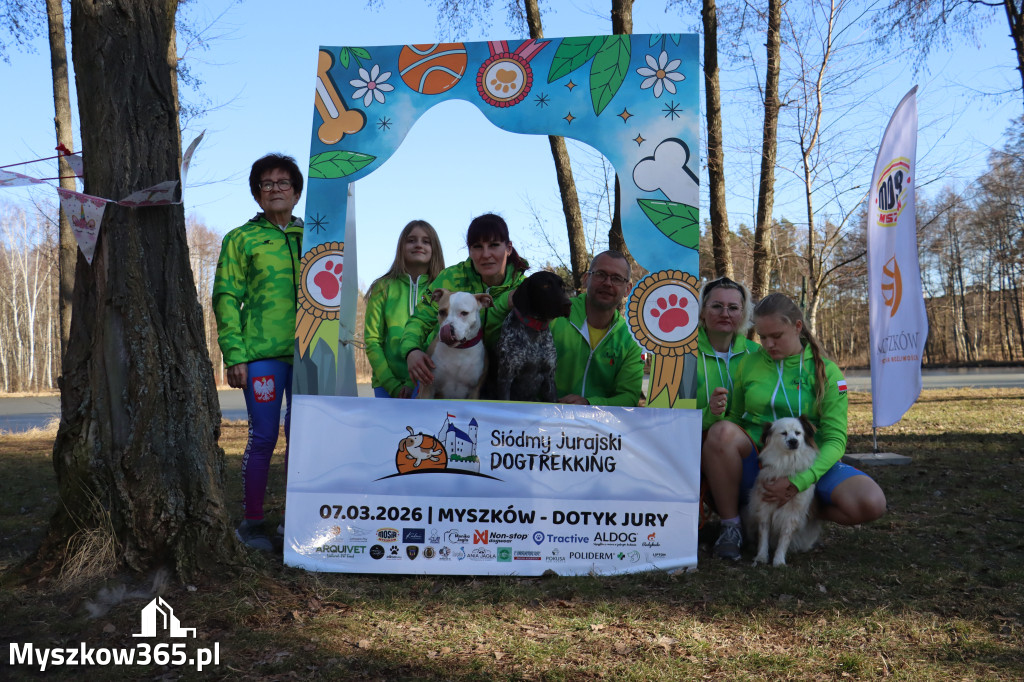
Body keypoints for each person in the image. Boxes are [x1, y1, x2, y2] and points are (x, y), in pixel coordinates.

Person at [702, 293, 887, 560]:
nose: (768, 344)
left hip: (809, 462)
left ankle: (802, 510)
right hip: (761, 460)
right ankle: (732, 527)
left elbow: (835, 440)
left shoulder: (829, 372)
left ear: (798, 327)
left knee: (871, 502)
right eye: (762, 337)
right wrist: (715, 415)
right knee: (720, 434)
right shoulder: (748, 363)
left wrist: (799, 483)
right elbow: (734, 420)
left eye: (776, 336)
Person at [213, 153, 304, 552]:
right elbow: (226, 297)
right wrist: (235, 355)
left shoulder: (316, 236)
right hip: (263, 354)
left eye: (283, 183)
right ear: (256, 193)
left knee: (304, 437)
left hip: (311, 354)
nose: (275, 190)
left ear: (297, 191)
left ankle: (297, 519)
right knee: (265, 435)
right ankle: (252, 523)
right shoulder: (241, 238)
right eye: (266, 184)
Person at [401, 213, 528, 388]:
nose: (485, 254)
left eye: (494, 245)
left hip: (504, 383)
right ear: (469, 250)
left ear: (508, 248)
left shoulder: (524, 289)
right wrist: (411, 350)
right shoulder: (450, 278)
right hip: (445, 378)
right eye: (477, 246)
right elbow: (421, 319)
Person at [363, 220, 445, 398]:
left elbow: (437, 338)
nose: (418, 245)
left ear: (435, 248)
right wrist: (391, 384)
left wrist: (412, 382)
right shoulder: (382, 287)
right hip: (386, 384)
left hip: (426, 380)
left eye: (426, 241)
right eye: (411, 240)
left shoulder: (441, 291)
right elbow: (372, 340)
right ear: (401, 246)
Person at [551, 250, 644, 406]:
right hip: (542, 423)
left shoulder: (631, 338)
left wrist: (589, 404)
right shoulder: (554, 315)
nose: (607, 283)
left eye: (616, 278)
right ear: (586, 279)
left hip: (599, 427)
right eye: (601, 274)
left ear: (628, 288)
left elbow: (629, 397)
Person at [697, 276, 759, 431]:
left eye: (733, 308)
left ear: (743, 313)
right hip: (691, 446)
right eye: (717, 306)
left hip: (745, 446)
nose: (725, 314)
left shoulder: (757, 354)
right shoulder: (683, 355)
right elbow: (671, 417)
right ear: (702, 311)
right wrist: (710, 413)